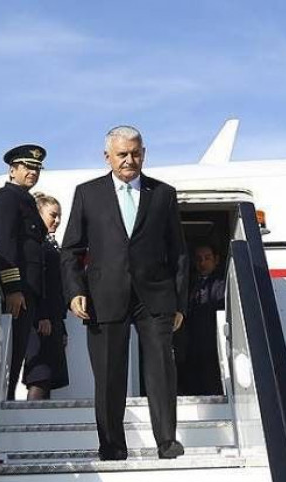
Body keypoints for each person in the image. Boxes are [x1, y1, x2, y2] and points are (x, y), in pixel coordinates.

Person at [61, 125, 189, 460]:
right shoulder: (88, 193)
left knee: (161, 370)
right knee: (109, 374)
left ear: (144, 154)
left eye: (135, 153)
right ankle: (112, 445)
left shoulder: (163, 194)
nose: (129, 160)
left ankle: (167, 441)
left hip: (155, 296)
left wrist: (180, 302)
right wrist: (74, 291)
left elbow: (178, 251)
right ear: (108, 157)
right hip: (104, 296)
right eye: (122, 154)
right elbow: (71, 249)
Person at [0, 144, 47, 401]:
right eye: (27, 167)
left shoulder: (26, 201)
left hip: (29, 292)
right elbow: (5, 246)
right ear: (12, 170)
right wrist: (12, 288)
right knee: (9, 357)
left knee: (18, 353)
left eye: (37, 168)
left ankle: (8, 400)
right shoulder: (6, 198)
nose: (33, 172)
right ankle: (3, 403)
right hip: (17, 293)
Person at [23, 192, 70, 400]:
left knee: (48, 376)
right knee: (39, 375)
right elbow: (36, 281)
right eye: (53, 215)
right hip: (41, 320)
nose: (57, 220)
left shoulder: (50, 244)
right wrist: (42, 315)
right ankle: (30, 417)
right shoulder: (36, 244)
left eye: (59, 216)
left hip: (53, 319)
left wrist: (61, 325)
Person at [181, 244, 225, 396]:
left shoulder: (222, 284)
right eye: (199, 259)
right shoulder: (189, 284)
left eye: (207, 258)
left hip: (213, 346)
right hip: (192, 347)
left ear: (216, 260)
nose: (203, 263)